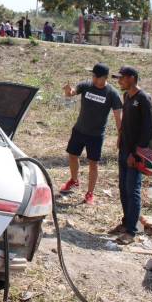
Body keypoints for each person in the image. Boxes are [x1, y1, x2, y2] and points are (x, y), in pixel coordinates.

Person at [60, 63, 123, 205]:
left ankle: (90, 193)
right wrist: (67, 91)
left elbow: (118, 116)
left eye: (95, 76)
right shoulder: (86, 86)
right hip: (79, 130)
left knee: (93, 164)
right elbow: (71, 94)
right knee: (72, 155)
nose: (93, 78)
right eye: (92, 75)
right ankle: (74, 180)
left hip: (96, 135)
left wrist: (120, 136)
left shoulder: (112, 93)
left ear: (104, 78)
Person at [110, 66, 152, 245]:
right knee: (123, 187)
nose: (119, 81)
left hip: (135, 154)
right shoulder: (127, 96)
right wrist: (120, 137)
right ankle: (125, 222)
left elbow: (148, 129)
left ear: (132, 78)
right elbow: (126, 122)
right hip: (124, 150)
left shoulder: (143, 98)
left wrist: (136, 154)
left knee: (133, 189)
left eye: (122, 78)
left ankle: (131, 232)